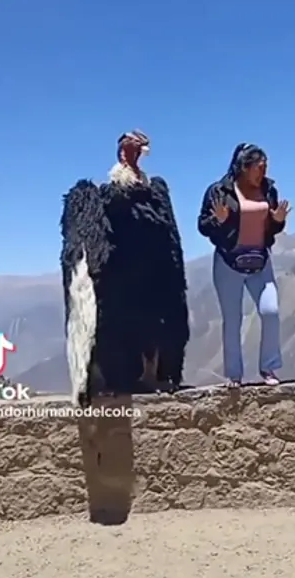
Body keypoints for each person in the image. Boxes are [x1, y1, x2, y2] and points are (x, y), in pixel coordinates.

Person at [61, 130, 190, 406]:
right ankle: (108, 377)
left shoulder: (153, 190)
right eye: (134, 146)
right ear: (123, 150)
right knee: (118, 324)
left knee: (156, 323)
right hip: (121, 273)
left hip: (153, 270)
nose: (141, 149)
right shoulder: (111, 193)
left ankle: (151, 373)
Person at [197, 143, 289, 387]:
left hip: (260, 259)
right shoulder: (219, 191)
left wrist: (277, 221)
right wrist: (222, 222)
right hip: (229, 263)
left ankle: (269, 369)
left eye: (265, 167)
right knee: (233, 319)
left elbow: (271, 226)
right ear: (244, 168)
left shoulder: (269, 190)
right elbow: (204, 226)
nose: (263, 173)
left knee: (271, 312)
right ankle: (234, 375)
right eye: (259, 168)